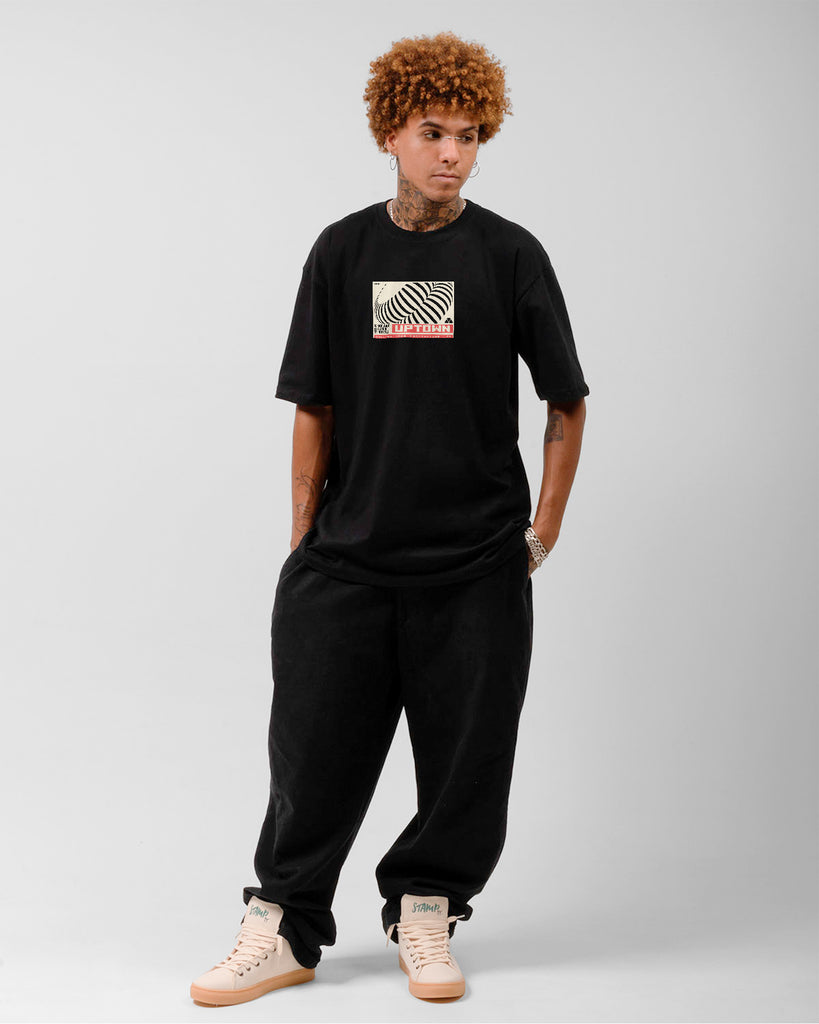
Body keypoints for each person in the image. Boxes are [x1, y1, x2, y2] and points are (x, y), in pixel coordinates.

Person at [190, 29, 588, 1007]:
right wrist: (302, 543)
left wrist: (542, 530)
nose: (451, 153)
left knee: (466, 763)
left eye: (468, 135)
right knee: (312, 755)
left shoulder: (508, 254)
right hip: (348, 564)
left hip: (475, 565)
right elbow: (313, 405)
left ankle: (428, 906)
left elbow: (566, 399)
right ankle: (285, 925)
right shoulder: (342, 251)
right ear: (389, 133)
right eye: (431, 132)